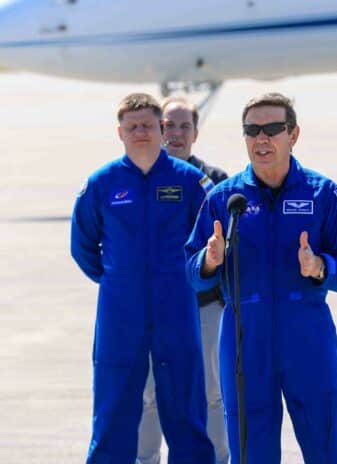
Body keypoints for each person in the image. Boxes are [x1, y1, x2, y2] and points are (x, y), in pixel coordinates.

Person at [184, 92, 337, 463]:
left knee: (327, 437)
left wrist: (320, 267)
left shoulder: (323, 194)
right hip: (244, 336)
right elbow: (192, 272)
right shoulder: (225, 199)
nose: (261, 139)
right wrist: (210, 260)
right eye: (252, 130)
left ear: (293, 134)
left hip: (306, 333)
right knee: (251, 447)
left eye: (272, 129)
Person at [70, 93, 215, 463]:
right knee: (113, 414)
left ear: (161, 129)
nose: (140, 133)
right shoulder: (102, 184)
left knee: (186, 414)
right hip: (121, 316)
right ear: (120, 132)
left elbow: (213, 242)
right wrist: (120, 281)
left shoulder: (190, 183)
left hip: (177, 314)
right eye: (132, 127)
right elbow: (83, 246)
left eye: (148, 125)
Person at [137, 96, 229, 464]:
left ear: (195, 131)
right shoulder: (138, 177)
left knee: (211, 391)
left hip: (204, 307)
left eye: (184, 126)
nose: (176, 134)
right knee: (148, 394)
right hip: (152, 310)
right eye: (168, 126)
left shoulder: (217, 182)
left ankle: (218, 459)